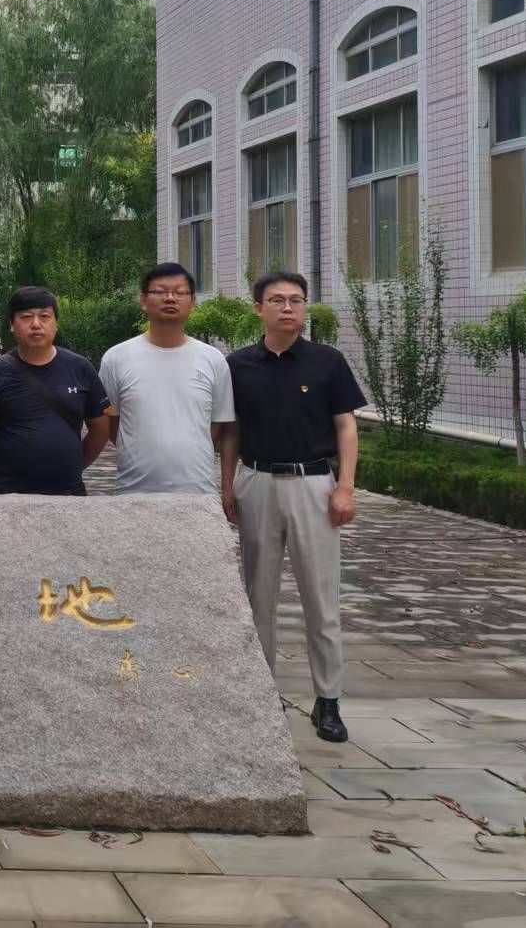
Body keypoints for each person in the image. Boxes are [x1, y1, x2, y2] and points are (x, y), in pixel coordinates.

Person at [226, 270, 366, 744]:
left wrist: (345, 487)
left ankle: (328, 700)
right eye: (277, 300)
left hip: (314, 486)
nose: (288, 308)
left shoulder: (328, 362)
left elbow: (346, 427)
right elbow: (231, 432)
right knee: (258, 596)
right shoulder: (238, 365)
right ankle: (260, 695)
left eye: (296, 300)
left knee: (321, 599)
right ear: (258, 308)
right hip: (257, 482)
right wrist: (227, 486)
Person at [98, 263, 234, 496]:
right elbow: (111, 423)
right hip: (134, 490)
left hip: (198, 490)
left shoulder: (213, 359)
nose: (170, 298)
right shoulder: (116, 358)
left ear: (192, 302)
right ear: (143, 300)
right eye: (160, 292)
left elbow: (218, 424)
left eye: (180, 292)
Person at [0, 286, 111, 495]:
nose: (36, 324)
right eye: (26, 317)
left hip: (69, 493)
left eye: (44, 316)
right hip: (8, 495)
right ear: (11, 324)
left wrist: (73, 464)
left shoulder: (80, 368)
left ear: (56, 323)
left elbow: (100, 430)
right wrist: (4, 467)